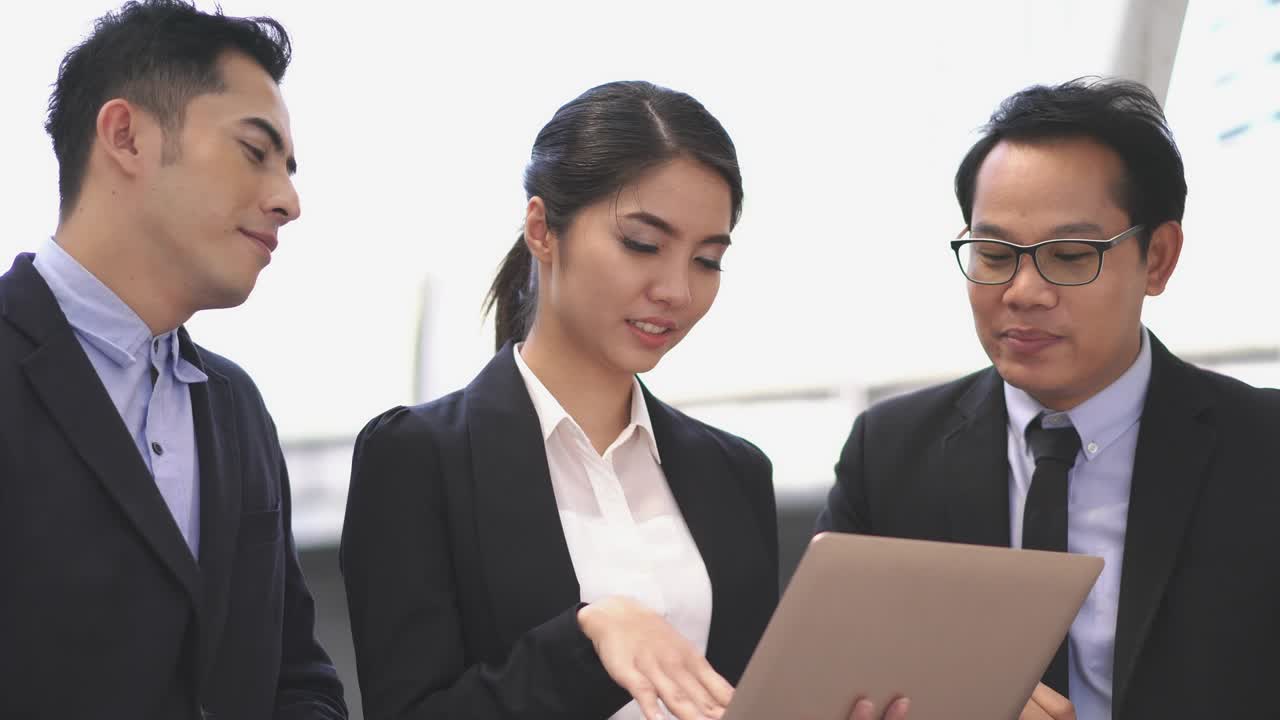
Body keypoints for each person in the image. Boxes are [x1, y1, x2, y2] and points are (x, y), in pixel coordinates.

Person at [340, 80, 910, 720]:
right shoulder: (419, 458)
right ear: (542, 230)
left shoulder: (732, 471)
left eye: (707, 260)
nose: (676, 290)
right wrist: (587, 638)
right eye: (642, 244)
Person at [816, 77, 1280, 720]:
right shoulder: (889, 453)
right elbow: (822, 681)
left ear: (1159, 259)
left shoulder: (1262, 449)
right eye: (994, 253)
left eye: (1068, 255)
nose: (1024, 291)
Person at [0, 2, 346, 718]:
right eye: (255, 152)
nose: (288, 200)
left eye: (287, 168)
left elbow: (297, 677)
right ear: (125, 135)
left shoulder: (234, 406)